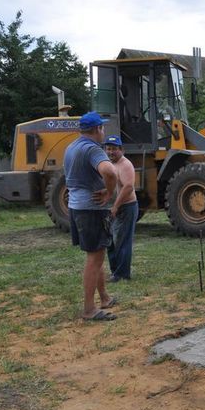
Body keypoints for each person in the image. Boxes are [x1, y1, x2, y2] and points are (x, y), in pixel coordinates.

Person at [64, 111, 118, 321]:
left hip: (77, 207)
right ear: (97, 129)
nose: (104, 131)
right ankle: (89, 309)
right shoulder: (91, 149)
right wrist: (109, 191)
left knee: (97, 254)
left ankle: (104, 297)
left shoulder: (72, 147)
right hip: (91, 208)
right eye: (102, 128)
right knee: (94, 259)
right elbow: (110, 172)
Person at [104, 134, 138, 282]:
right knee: (110, 241)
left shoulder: (125, 165)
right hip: (113, 208)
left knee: (122, 241)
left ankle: (122, 274)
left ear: (121, 150)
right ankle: (115, 271)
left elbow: (128, 187)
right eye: (108, 149)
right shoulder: (110, 164)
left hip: (126, 208)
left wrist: (116, 206)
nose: (111, 152)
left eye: (114, 149)